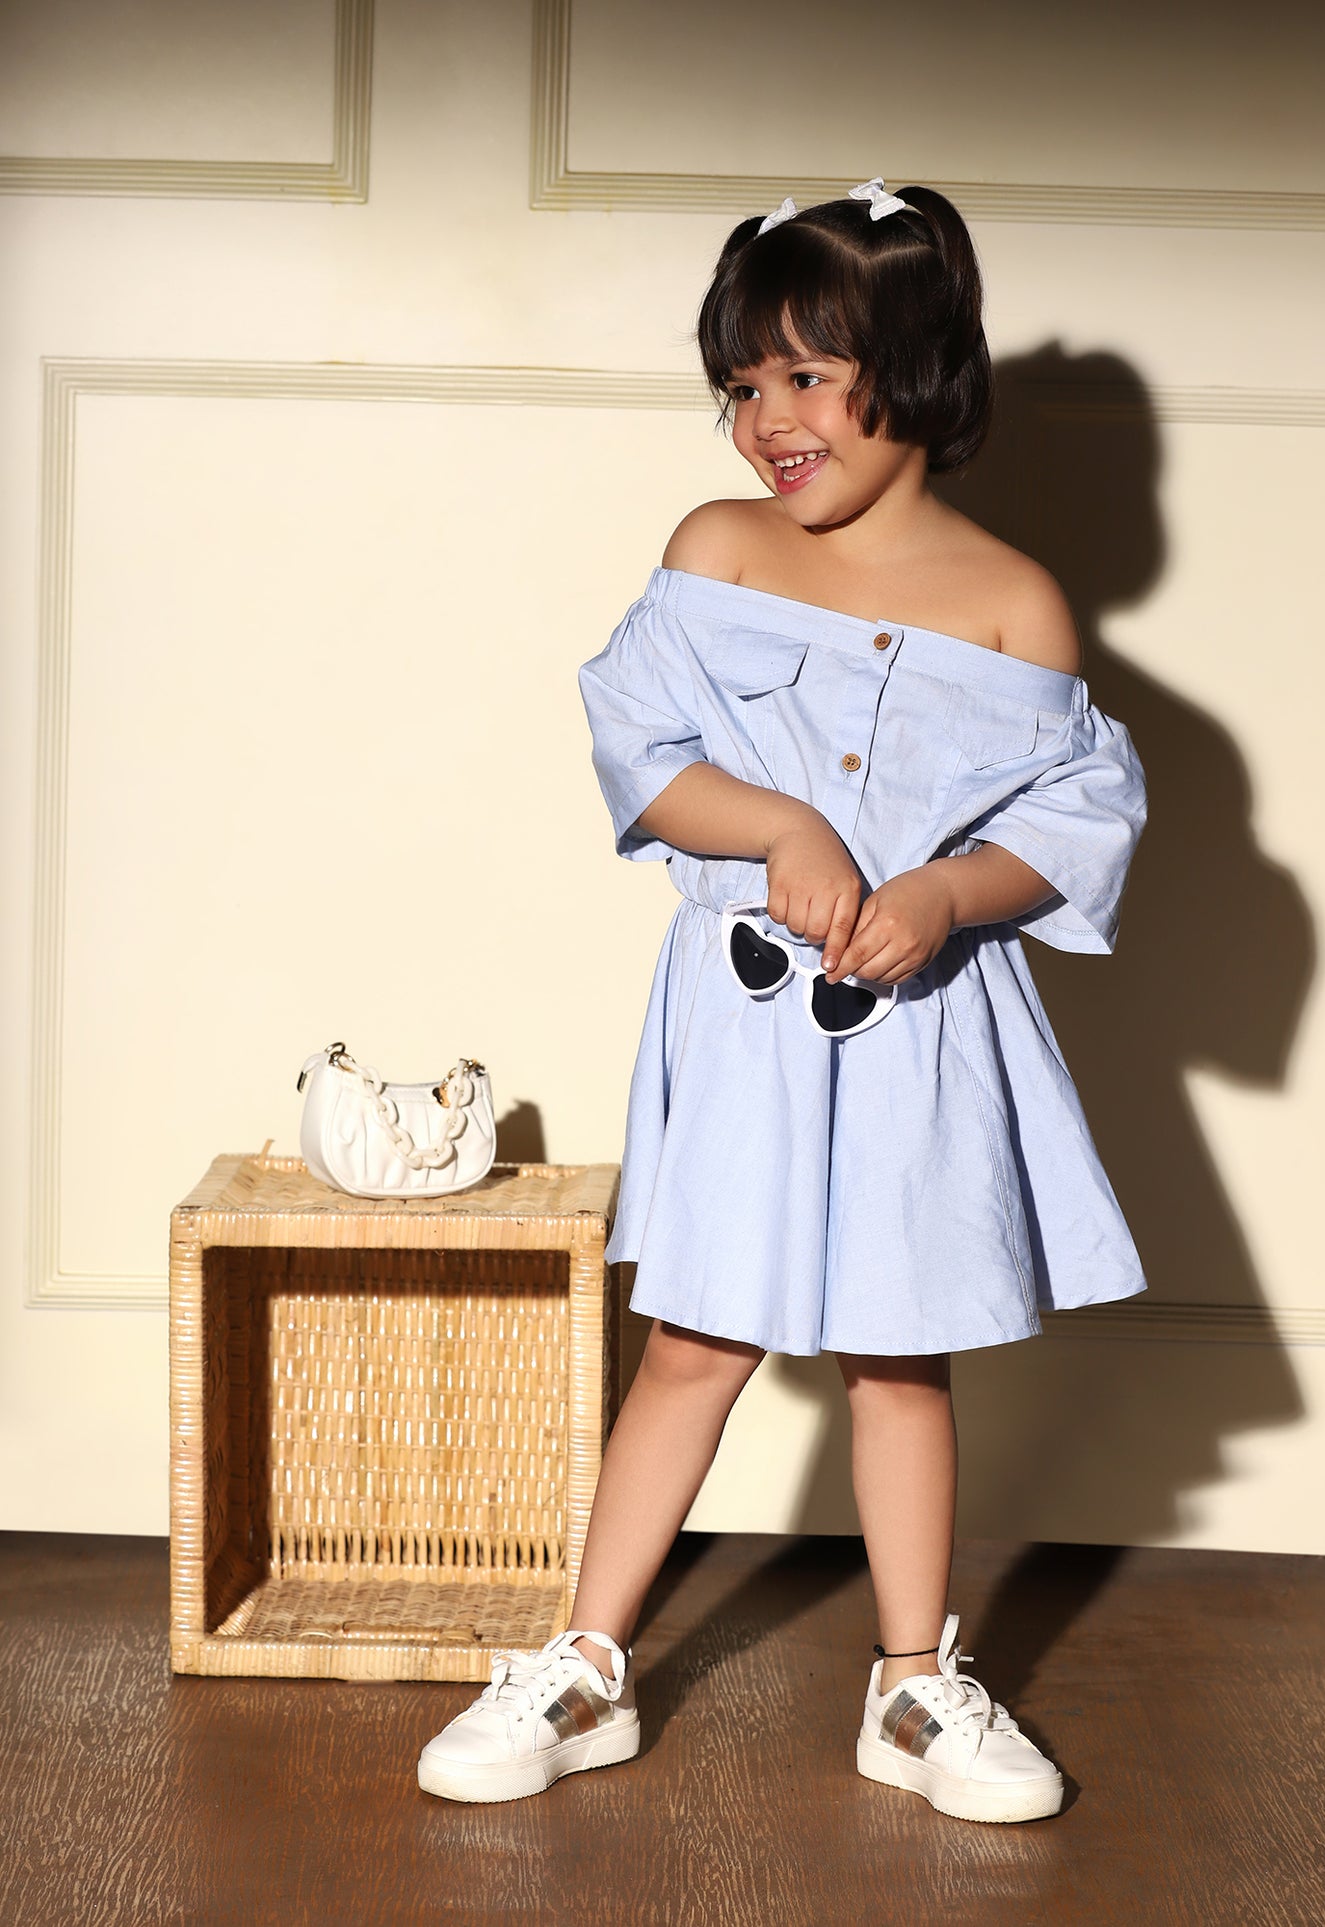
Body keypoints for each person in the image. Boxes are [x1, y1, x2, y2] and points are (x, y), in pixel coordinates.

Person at [417, 177, 1148, 1823]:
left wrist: (949, 894)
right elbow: (648, 760)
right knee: (694, 1338)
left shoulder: (1012, 601)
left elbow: (1072, 819)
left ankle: (910, 1688)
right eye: (743, 384)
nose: (766, 422)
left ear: (920, 371)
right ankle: (587, 1666)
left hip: (925, 1029)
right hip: (745, 1023)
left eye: (808, 378)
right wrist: (782, 826)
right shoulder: (715, 552)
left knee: (900, 1356)